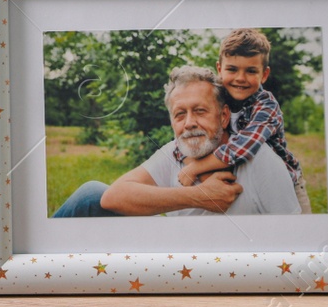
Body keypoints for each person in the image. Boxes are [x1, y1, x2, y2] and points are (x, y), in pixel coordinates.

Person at [51, 65, 300, 217]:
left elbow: (292, 240)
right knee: (90, 194)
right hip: (177, 265)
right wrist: (198, 196)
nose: (189, 123)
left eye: (200, 111)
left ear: (224, 117)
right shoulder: (173, 153)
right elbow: (112, 197)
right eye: (180, 114)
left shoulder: (259, 160)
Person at [176, 28, 311, 213]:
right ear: (219, 69)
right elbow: (196, 128)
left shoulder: (266, 106)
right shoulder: (218, 99)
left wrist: (195, 168)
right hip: (242, 179)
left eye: (251, 71)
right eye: (232, 69)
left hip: (283, 185)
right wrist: (184, 156)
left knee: (297, 232)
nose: (240, 78)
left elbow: (242, 147)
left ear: (264, 74)